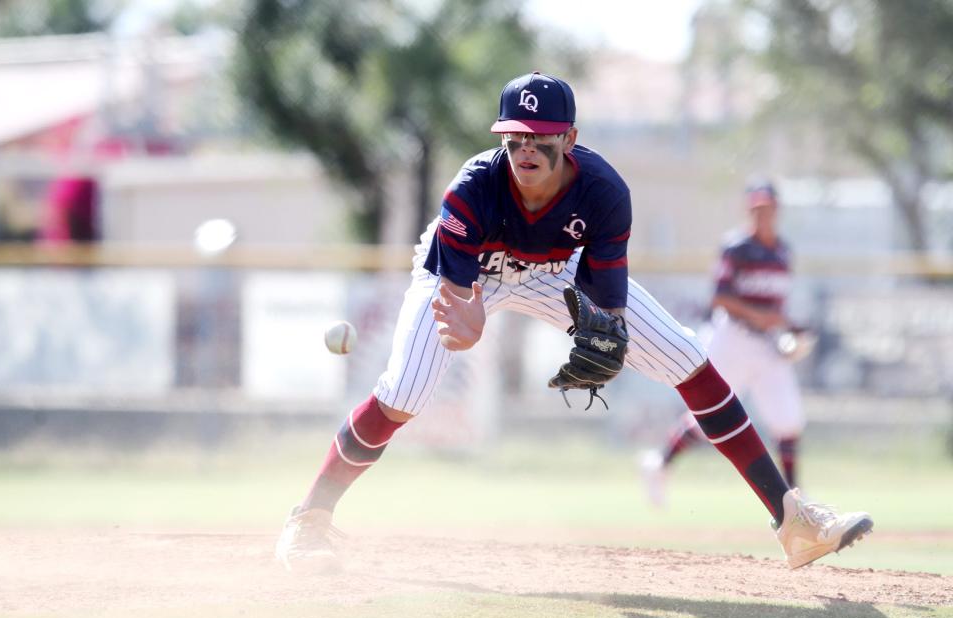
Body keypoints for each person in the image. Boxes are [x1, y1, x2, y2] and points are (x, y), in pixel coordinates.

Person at [275, 72, 872, 572]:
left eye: (539, 137)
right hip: (468, 275)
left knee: (689, 359)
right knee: (403, 393)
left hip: (558, 269)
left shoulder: (605, 193)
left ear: (570, 137)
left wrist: (606, 339)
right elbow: (458, 299)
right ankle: (309, 520)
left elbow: (608, 300)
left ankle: (791, 520)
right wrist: (472, 321)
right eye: (513, 136)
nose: (524, 149)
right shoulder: (471, 191)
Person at [641, 181, 809, 508]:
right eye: (755, 208)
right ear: (748, 210)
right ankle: (659, 465)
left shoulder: (783, 252)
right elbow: (719, 297)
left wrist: (792, 330)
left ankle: (794, 500)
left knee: (788, 419)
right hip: (731, 338)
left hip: (766, 344)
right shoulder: (736, 247)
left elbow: (775, 306)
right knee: (710, 417)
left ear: (777, 209)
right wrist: (759, 315)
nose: (761, 213)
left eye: (767, 207)